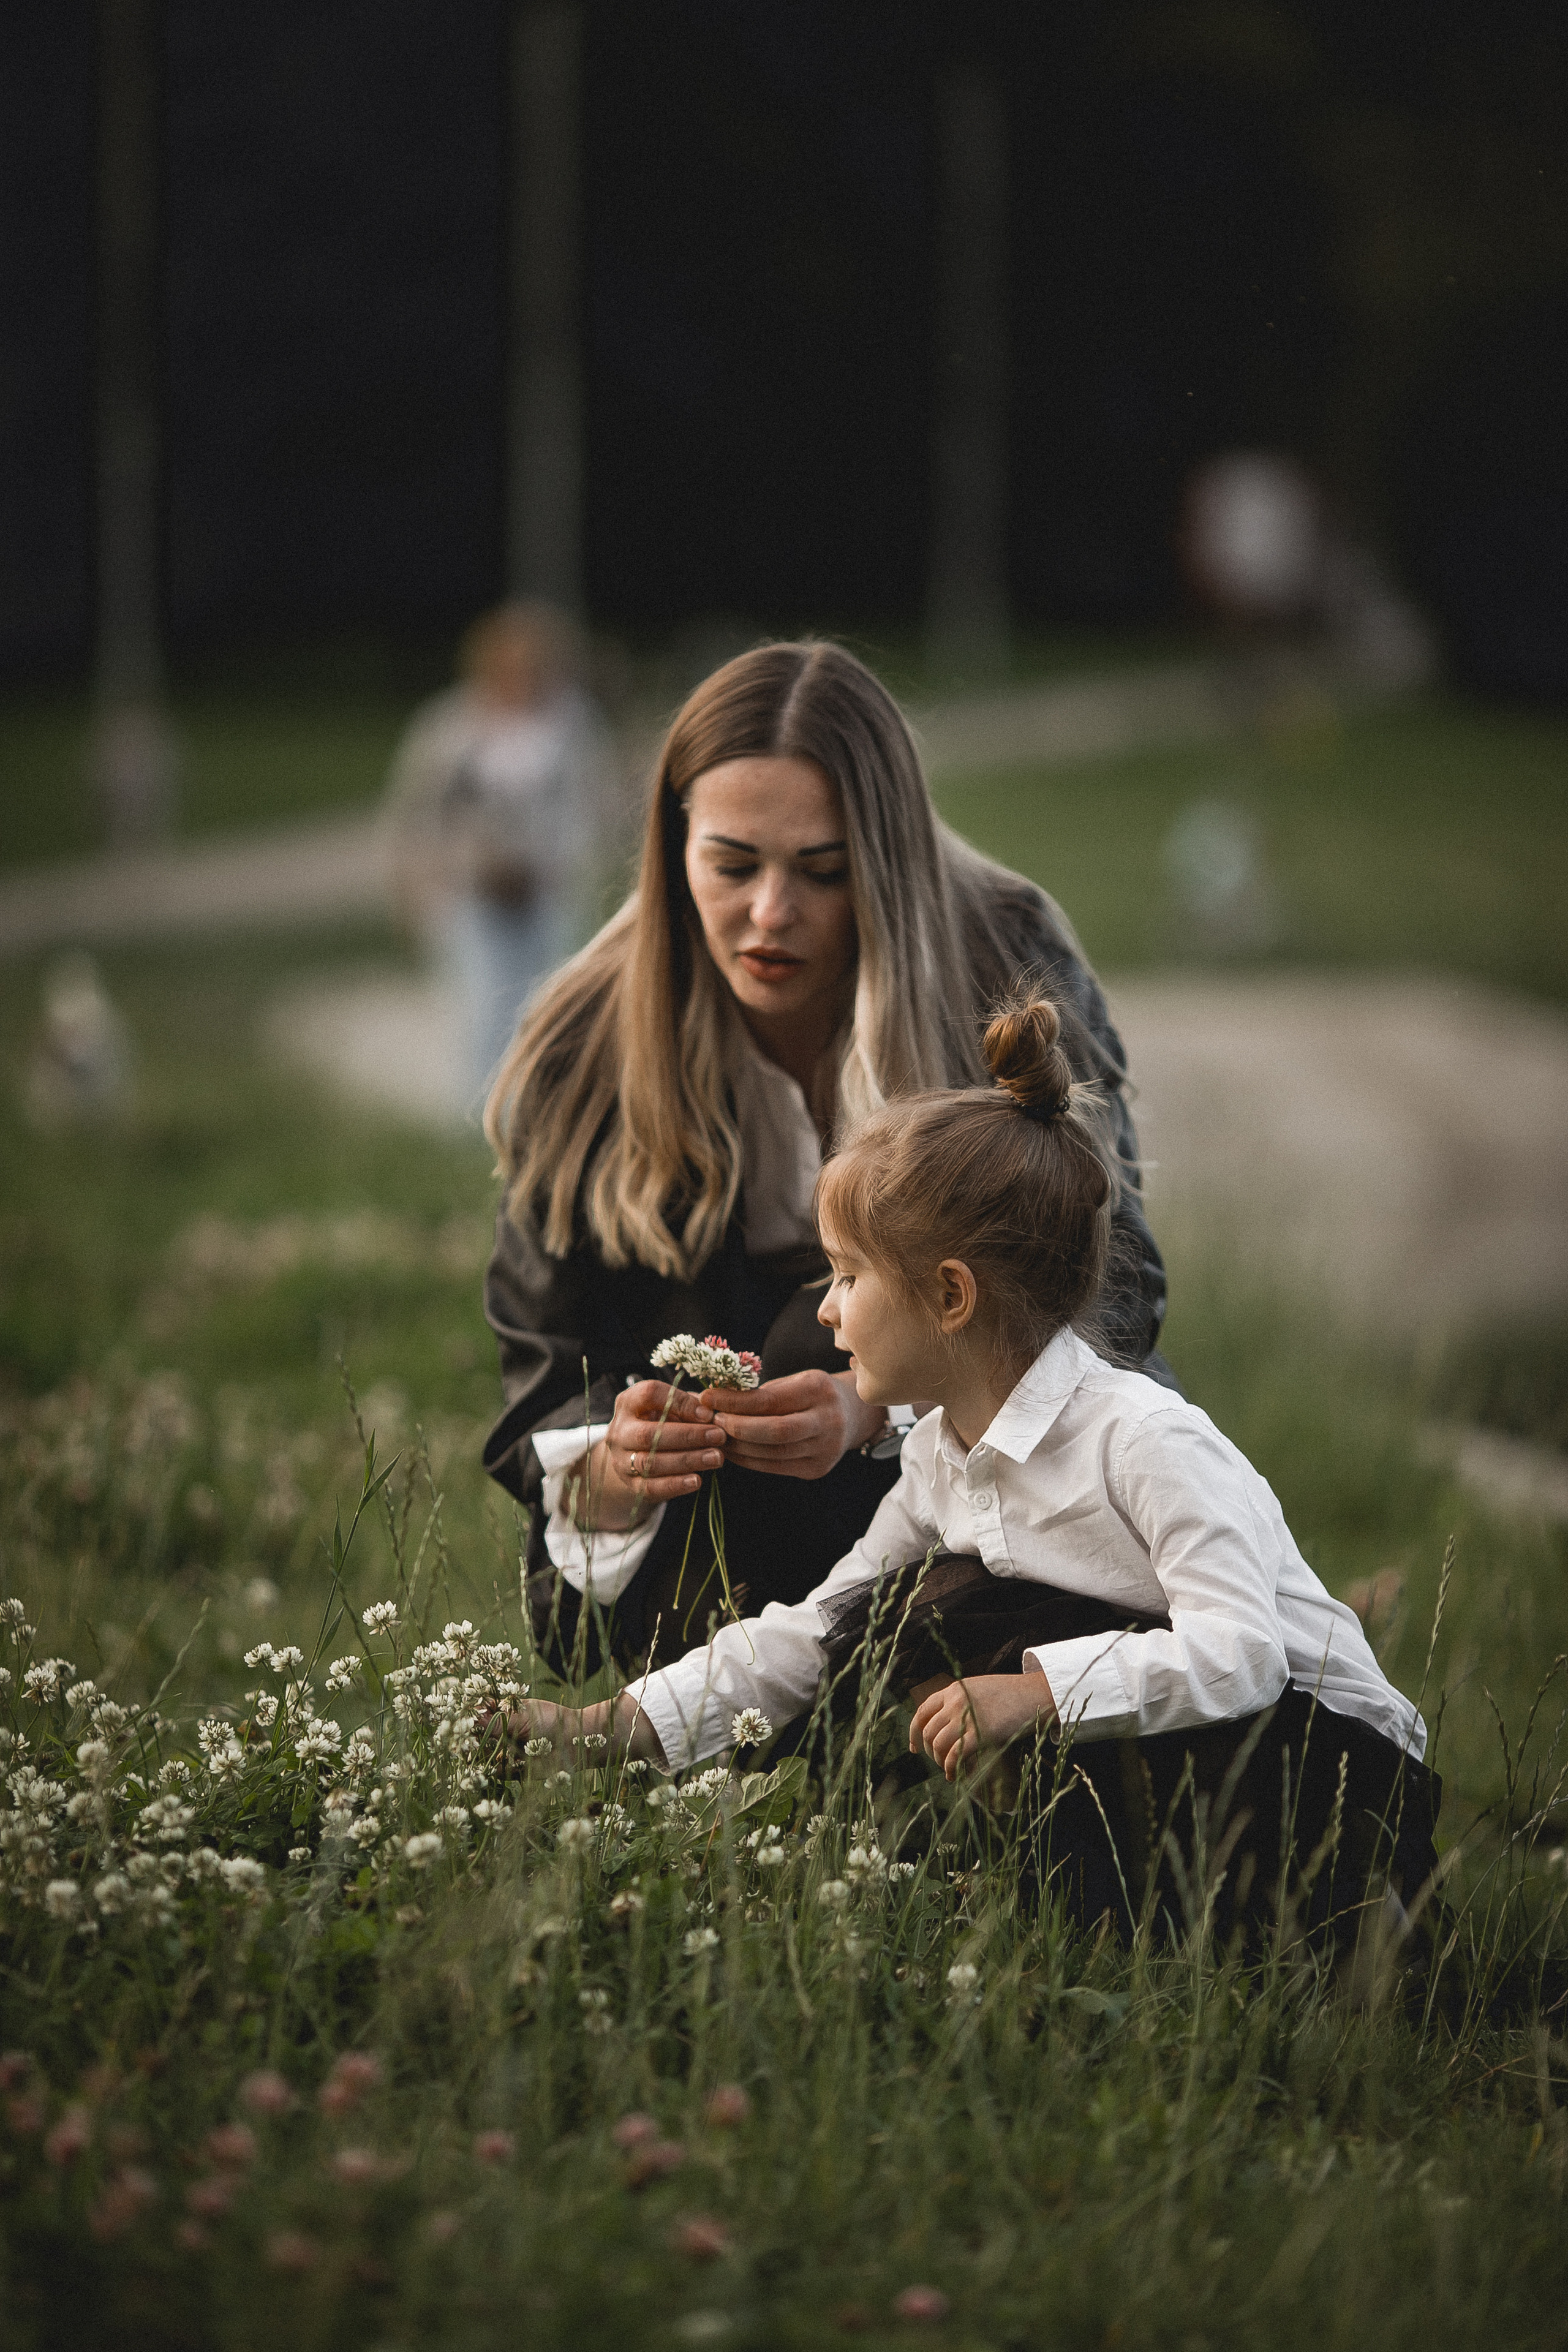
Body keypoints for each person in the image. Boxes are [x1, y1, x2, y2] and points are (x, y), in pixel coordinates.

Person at [511, 996, 1441, 1947]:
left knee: (967, 1615)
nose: (827, 1316)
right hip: (1201, 1756)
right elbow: (813, 1632)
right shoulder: (937, 1457)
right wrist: (609, 1727)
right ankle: (1115, 1928)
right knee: (901, 1614)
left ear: (951, 1295)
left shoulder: (1145, 1440)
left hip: (1336, 1778)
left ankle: (1360, 1931)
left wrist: (1035, 1695)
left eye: (846, 1277)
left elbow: (1247, 1656)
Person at [481, 641, 1169, 1672]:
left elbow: (1114, 1295)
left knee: (999, 1636)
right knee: (638, 1637)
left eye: (822, 871)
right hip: (700, 1513)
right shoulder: (581, 1038)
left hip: (965, 1458)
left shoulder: (1004, 959)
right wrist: (620, 1458)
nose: (771, 913)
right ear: (673, 850)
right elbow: (546, 1356)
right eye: (731, 864)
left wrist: (875, 1405)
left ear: (887, 862)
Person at [382, 600, 614, 1094]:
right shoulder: (451, 727)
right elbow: (415, 814)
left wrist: (567, 864)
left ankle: (543, 1107)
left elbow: (593, 805)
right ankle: (476, 1116)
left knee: (552, 1000)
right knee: (485, 1004)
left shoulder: (571, 724)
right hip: (470, 889)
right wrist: (413, 886)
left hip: (546, 888)